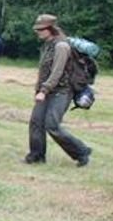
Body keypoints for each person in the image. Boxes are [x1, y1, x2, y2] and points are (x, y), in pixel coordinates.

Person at [25, 13, 92, 166]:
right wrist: (39, 89)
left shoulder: (61, 46)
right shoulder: (47, 45)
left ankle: (81, 152)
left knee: (52, 125)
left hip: (61, 91)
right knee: (36, 122)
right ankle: (36, 156)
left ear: (51, 29)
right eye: (37, 29)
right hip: (46, 90)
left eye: (41, 29)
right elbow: (44, 71)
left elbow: (57, 72)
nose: (38, 32)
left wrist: (44, 90)